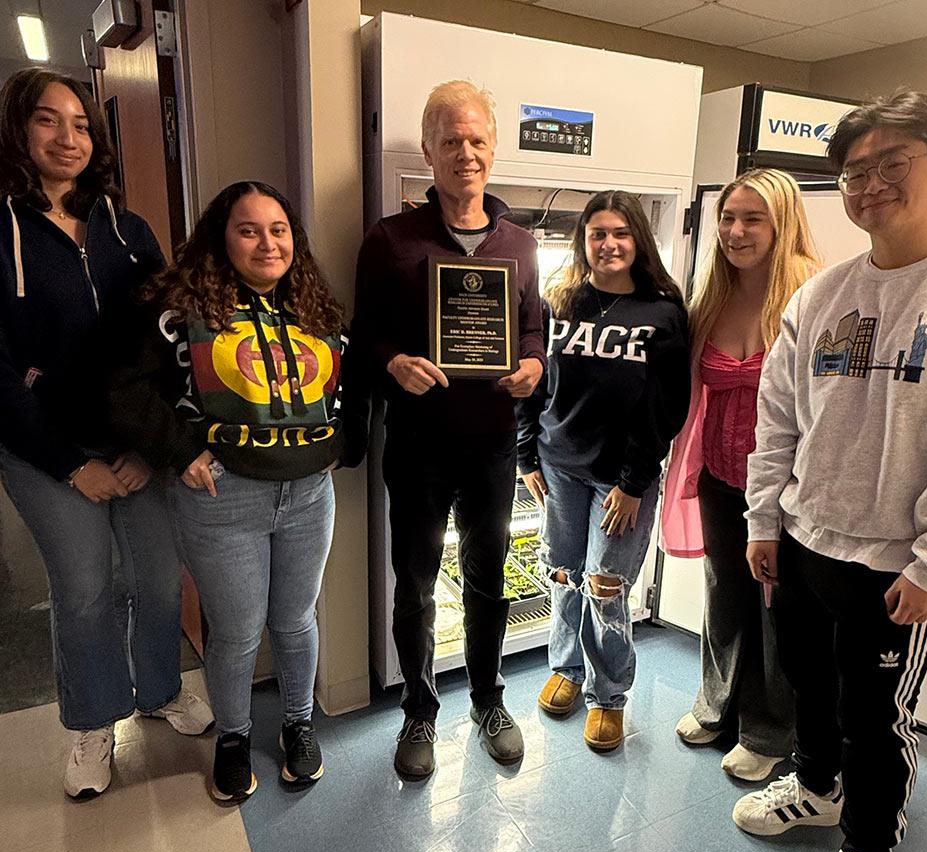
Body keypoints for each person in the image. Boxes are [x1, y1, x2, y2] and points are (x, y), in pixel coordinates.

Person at [734, 90, 927, 852]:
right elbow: (776, 421)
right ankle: (815, 786)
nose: (869, 185)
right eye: (852, 172)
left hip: (898, 568)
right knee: (810, 686)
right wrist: (764, 519)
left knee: (876, 717)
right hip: (805, 541)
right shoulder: (821, 295)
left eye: (890, 165)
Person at [0, 68, 212, 800]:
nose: (69, 137)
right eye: (48, 120)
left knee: (156, 578)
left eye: (81, 124)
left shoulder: (129, 230)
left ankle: (159, 690)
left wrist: (150, 446)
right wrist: (69, 464)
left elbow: (167, 342)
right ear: (18, 131)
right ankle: (93, 723)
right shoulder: (2, 234)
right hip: (45, 452)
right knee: (86, 588)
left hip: (135, 441)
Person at [110, 181, 345, 803]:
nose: (268, 243)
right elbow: (125, 388)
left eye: (278, 229)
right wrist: (181, 450)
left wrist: (338, 444)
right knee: (238, 630)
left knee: (295, 620)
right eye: (249, 230)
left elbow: (346, 383)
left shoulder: (314, 306)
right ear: (222, 238)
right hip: (225, 498)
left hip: (308, 495)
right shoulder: (178, 311)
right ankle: (234, 738)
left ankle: (299, 724)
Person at [346, 80, 545, 779]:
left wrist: (533, 364)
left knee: (489, 579)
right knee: (415, 586)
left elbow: (533, 328)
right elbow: (363, 333)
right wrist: (392, 362)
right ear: (428, 151)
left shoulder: (521, 244)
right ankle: (418, 710)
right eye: (451, 140)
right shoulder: (390, 239)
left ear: (494, 148)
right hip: (417, 446)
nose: (466, 153)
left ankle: (489, 700)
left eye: (477, 140)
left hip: (492, 444)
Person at [518, 191, 690, 750]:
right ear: (583, 240)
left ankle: (609, 695)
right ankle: (566, 668)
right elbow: (534, 384)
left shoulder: (662, 312)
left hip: (621, 479)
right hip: (559, 467)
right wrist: (526, 455)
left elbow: (667, 407)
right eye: (598, 233)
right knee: (563, 573)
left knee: (606, 586)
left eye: (620, 233)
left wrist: (634, 483)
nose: (609, 244)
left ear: (638, 240)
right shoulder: (559, 303)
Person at [663, 169, 819, 780]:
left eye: (753, 218)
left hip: (786, 492)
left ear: (783, 223)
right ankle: (718, 705)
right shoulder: (713, 293)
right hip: (720, 477)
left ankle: (769, 729)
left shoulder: (812, 292)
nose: (735, 231)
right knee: (725, 596)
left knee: (777, 611)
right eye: (727, 218)